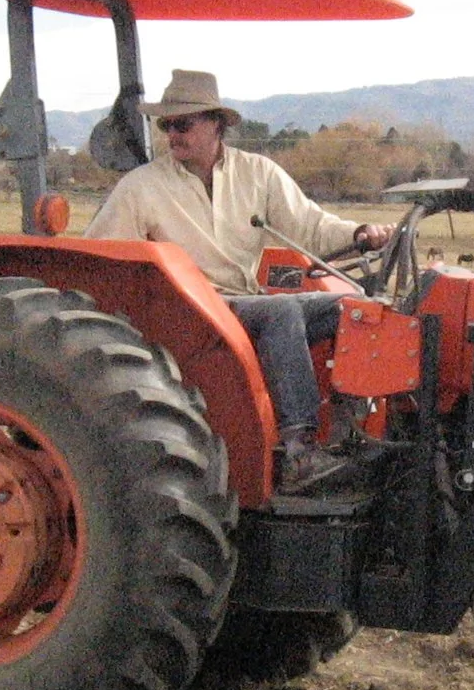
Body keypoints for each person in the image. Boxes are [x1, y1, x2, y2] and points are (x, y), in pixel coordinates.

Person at [85, 70, 390, 494]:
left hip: (244, 303)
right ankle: (300, 451)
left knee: (354, 308)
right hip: (191, 312)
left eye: (183, 123)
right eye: (167, 124)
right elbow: (103, 257)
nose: (173, 133)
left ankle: (351, 428)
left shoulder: (257, 174)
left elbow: (309, 226)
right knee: (280, 310)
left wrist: (360, 233)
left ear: (217, 124)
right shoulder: (141, 188)